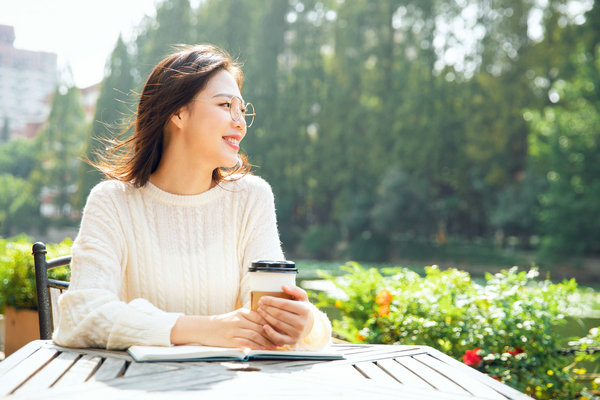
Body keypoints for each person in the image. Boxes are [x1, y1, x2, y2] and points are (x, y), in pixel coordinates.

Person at [53, 44, 331, 351]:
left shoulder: (252, 198)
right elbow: (80, 315)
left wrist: (303, 324)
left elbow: (269, 311)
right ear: (178, 112)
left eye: (242, 109)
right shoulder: (112, 202)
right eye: (226, 105)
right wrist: (206, 330)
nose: (240, 122)